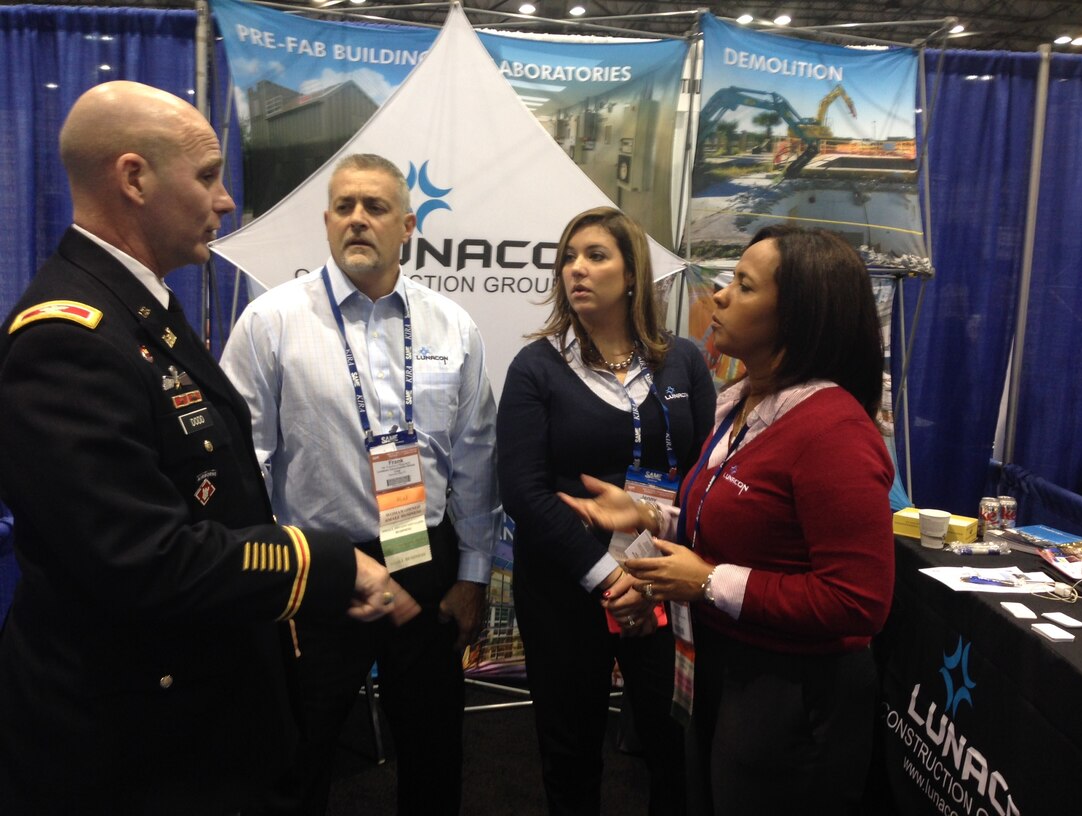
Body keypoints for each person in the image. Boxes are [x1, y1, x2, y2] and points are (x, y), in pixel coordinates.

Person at [0, 81, 408, 816]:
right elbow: (144, 558)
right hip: (132, 740)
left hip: (191, 708)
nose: (225, 201)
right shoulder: (68, 338)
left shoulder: (138, 309)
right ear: (134, 178)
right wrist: (326, 558)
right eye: (208, 176)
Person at [560, 225, 895, 816]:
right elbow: (729, 517)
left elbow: (857, 601)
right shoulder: (742, 403)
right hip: (720, 664)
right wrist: (648, 517)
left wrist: (708, 581)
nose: (718, 296)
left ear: (797, 317)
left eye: (742, 285)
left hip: (793, 696)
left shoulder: (834, 431)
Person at [220, 153, 502, 815]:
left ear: (407, 225)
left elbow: (475, 458)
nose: (357, 220)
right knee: (299, 752)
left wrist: (473, 574)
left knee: (433, 749)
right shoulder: (272, 322)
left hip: (424, 559)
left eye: (374, 207)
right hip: (317, 569)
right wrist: (264, 580)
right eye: (343, 207)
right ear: (325, 222)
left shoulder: (451, 327)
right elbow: (244, 465)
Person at [497, 206, 716, 815]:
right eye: (568, 257)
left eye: (595, 256)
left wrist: (653, 576)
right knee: (570, 754)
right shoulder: (537, 367)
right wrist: (610, 576)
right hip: (566, 587)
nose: (577, 270)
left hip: (663, 583)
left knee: (672, 747)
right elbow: (523, 490)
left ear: (631, 275)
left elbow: (702, 477)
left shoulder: (683, 362)